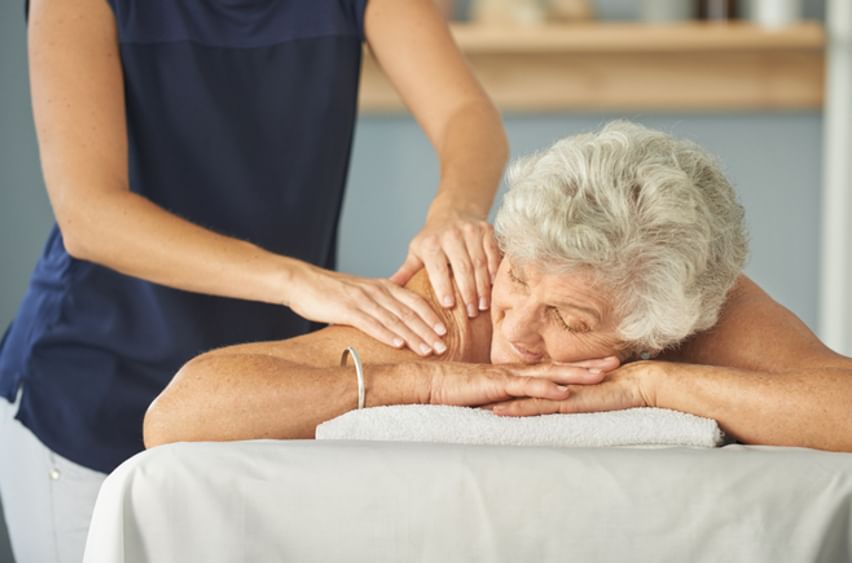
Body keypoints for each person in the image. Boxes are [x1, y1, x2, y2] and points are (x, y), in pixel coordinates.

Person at [0, 0, 509, 561]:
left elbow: (466, 113)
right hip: (94, 389)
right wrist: (297, 281)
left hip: (263, 397)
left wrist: (455, 211)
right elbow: (90, 217)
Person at [144, 121, 852, 452]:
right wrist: (415, 382)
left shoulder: (692, 301)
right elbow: (177, 416)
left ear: (656, 328)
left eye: (568, 320)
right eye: (520, 278)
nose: (514, 331)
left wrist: (653, 387)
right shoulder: (461, 299)